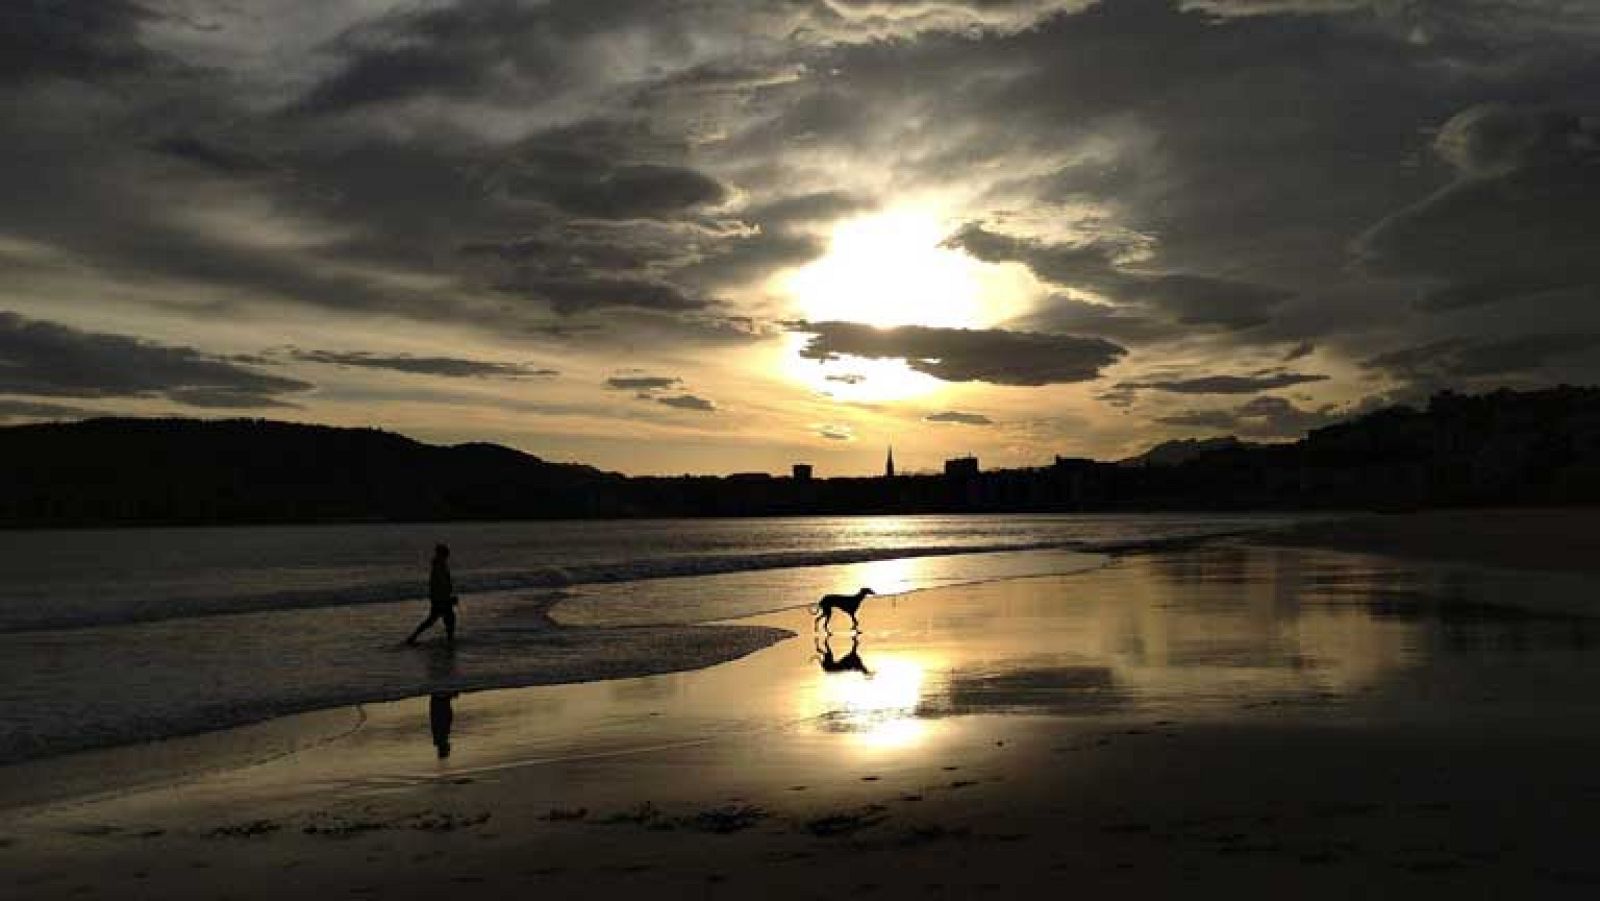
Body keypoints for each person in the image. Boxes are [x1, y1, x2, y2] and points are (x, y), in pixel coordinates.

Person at [406, 544, 458, 645]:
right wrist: (448, 598)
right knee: (445, 619)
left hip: (439, 598)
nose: (447, 556)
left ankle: (413, 637)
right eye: (446, 554)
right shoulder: (439, 566)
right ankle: (449, 640)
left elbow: (443, 584)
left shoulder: (440, 565)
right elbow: (440, 585)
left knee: (435, 619)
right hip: (440, 598)